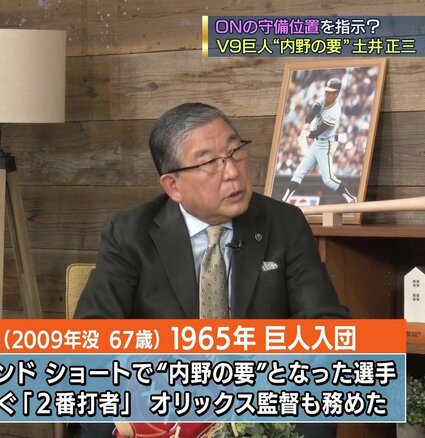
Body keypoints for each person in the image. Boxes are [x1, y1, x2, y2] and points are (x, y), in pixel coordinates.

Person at [73, 102, 349, 438]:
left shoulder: (284, 223)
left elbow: (325, 324)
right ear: (173, 186)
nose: (231, 172)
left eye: (234, 152)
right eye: (209, 163)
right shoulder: (130, 232)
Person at [281, 78, 357, 204]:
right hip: (316, 143)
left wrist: (307, 133)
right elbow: (313, 112)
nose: (326, 94)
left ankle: (351, 198)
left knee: (328, 179)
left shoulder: (335, 111)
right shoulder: (323, 99)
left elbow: (319, 131)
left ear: (336, 93)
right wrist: (307, 123)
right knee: (299, 171)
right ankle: (284, 201)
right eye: (326, 91)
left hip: (326, 144)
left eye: (330, 92)